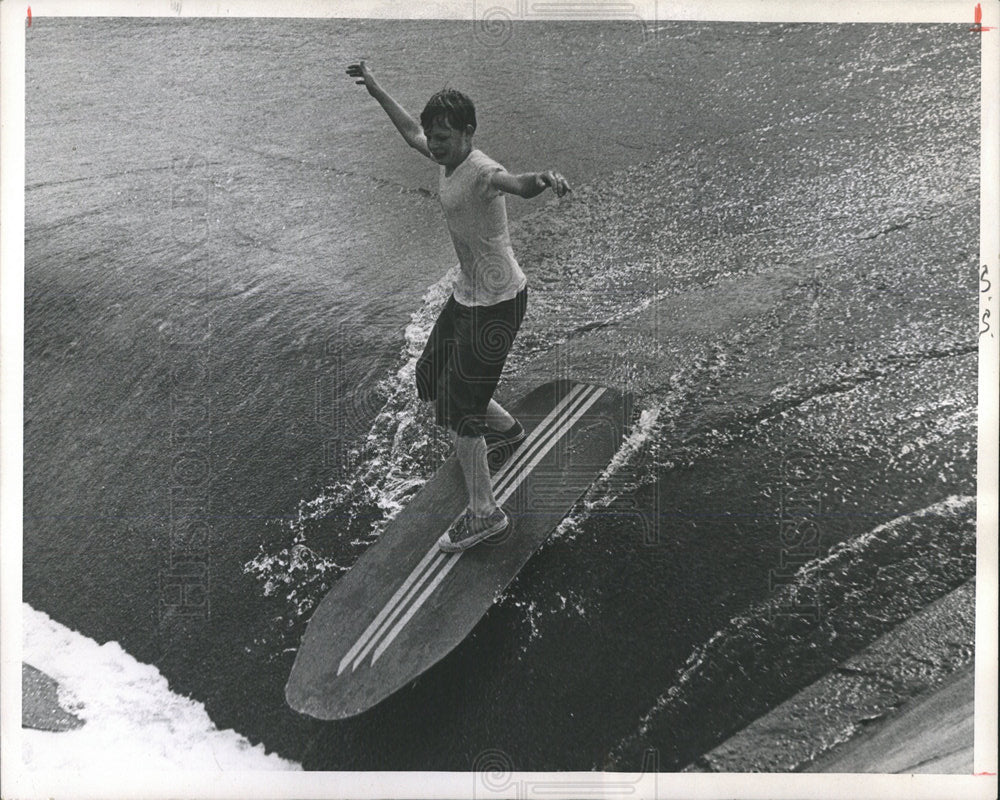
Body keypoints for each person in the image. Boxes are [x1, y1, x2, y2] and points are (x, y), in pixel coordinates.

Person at [346, 60, 571, 552]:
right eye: (434, 137)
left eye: (444, 138)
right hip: (469, 296)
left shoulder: (482, 170)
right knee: (432, 382)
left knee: (460, 412)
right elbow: (408, 131)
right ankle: (507, 431)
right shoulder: (445, 156)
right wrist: (375, 84)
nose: (436, 146)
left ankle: (485, 514)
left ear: (468, 133)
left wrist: (546, 178)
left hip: (499, 303)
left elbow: (518, 182)